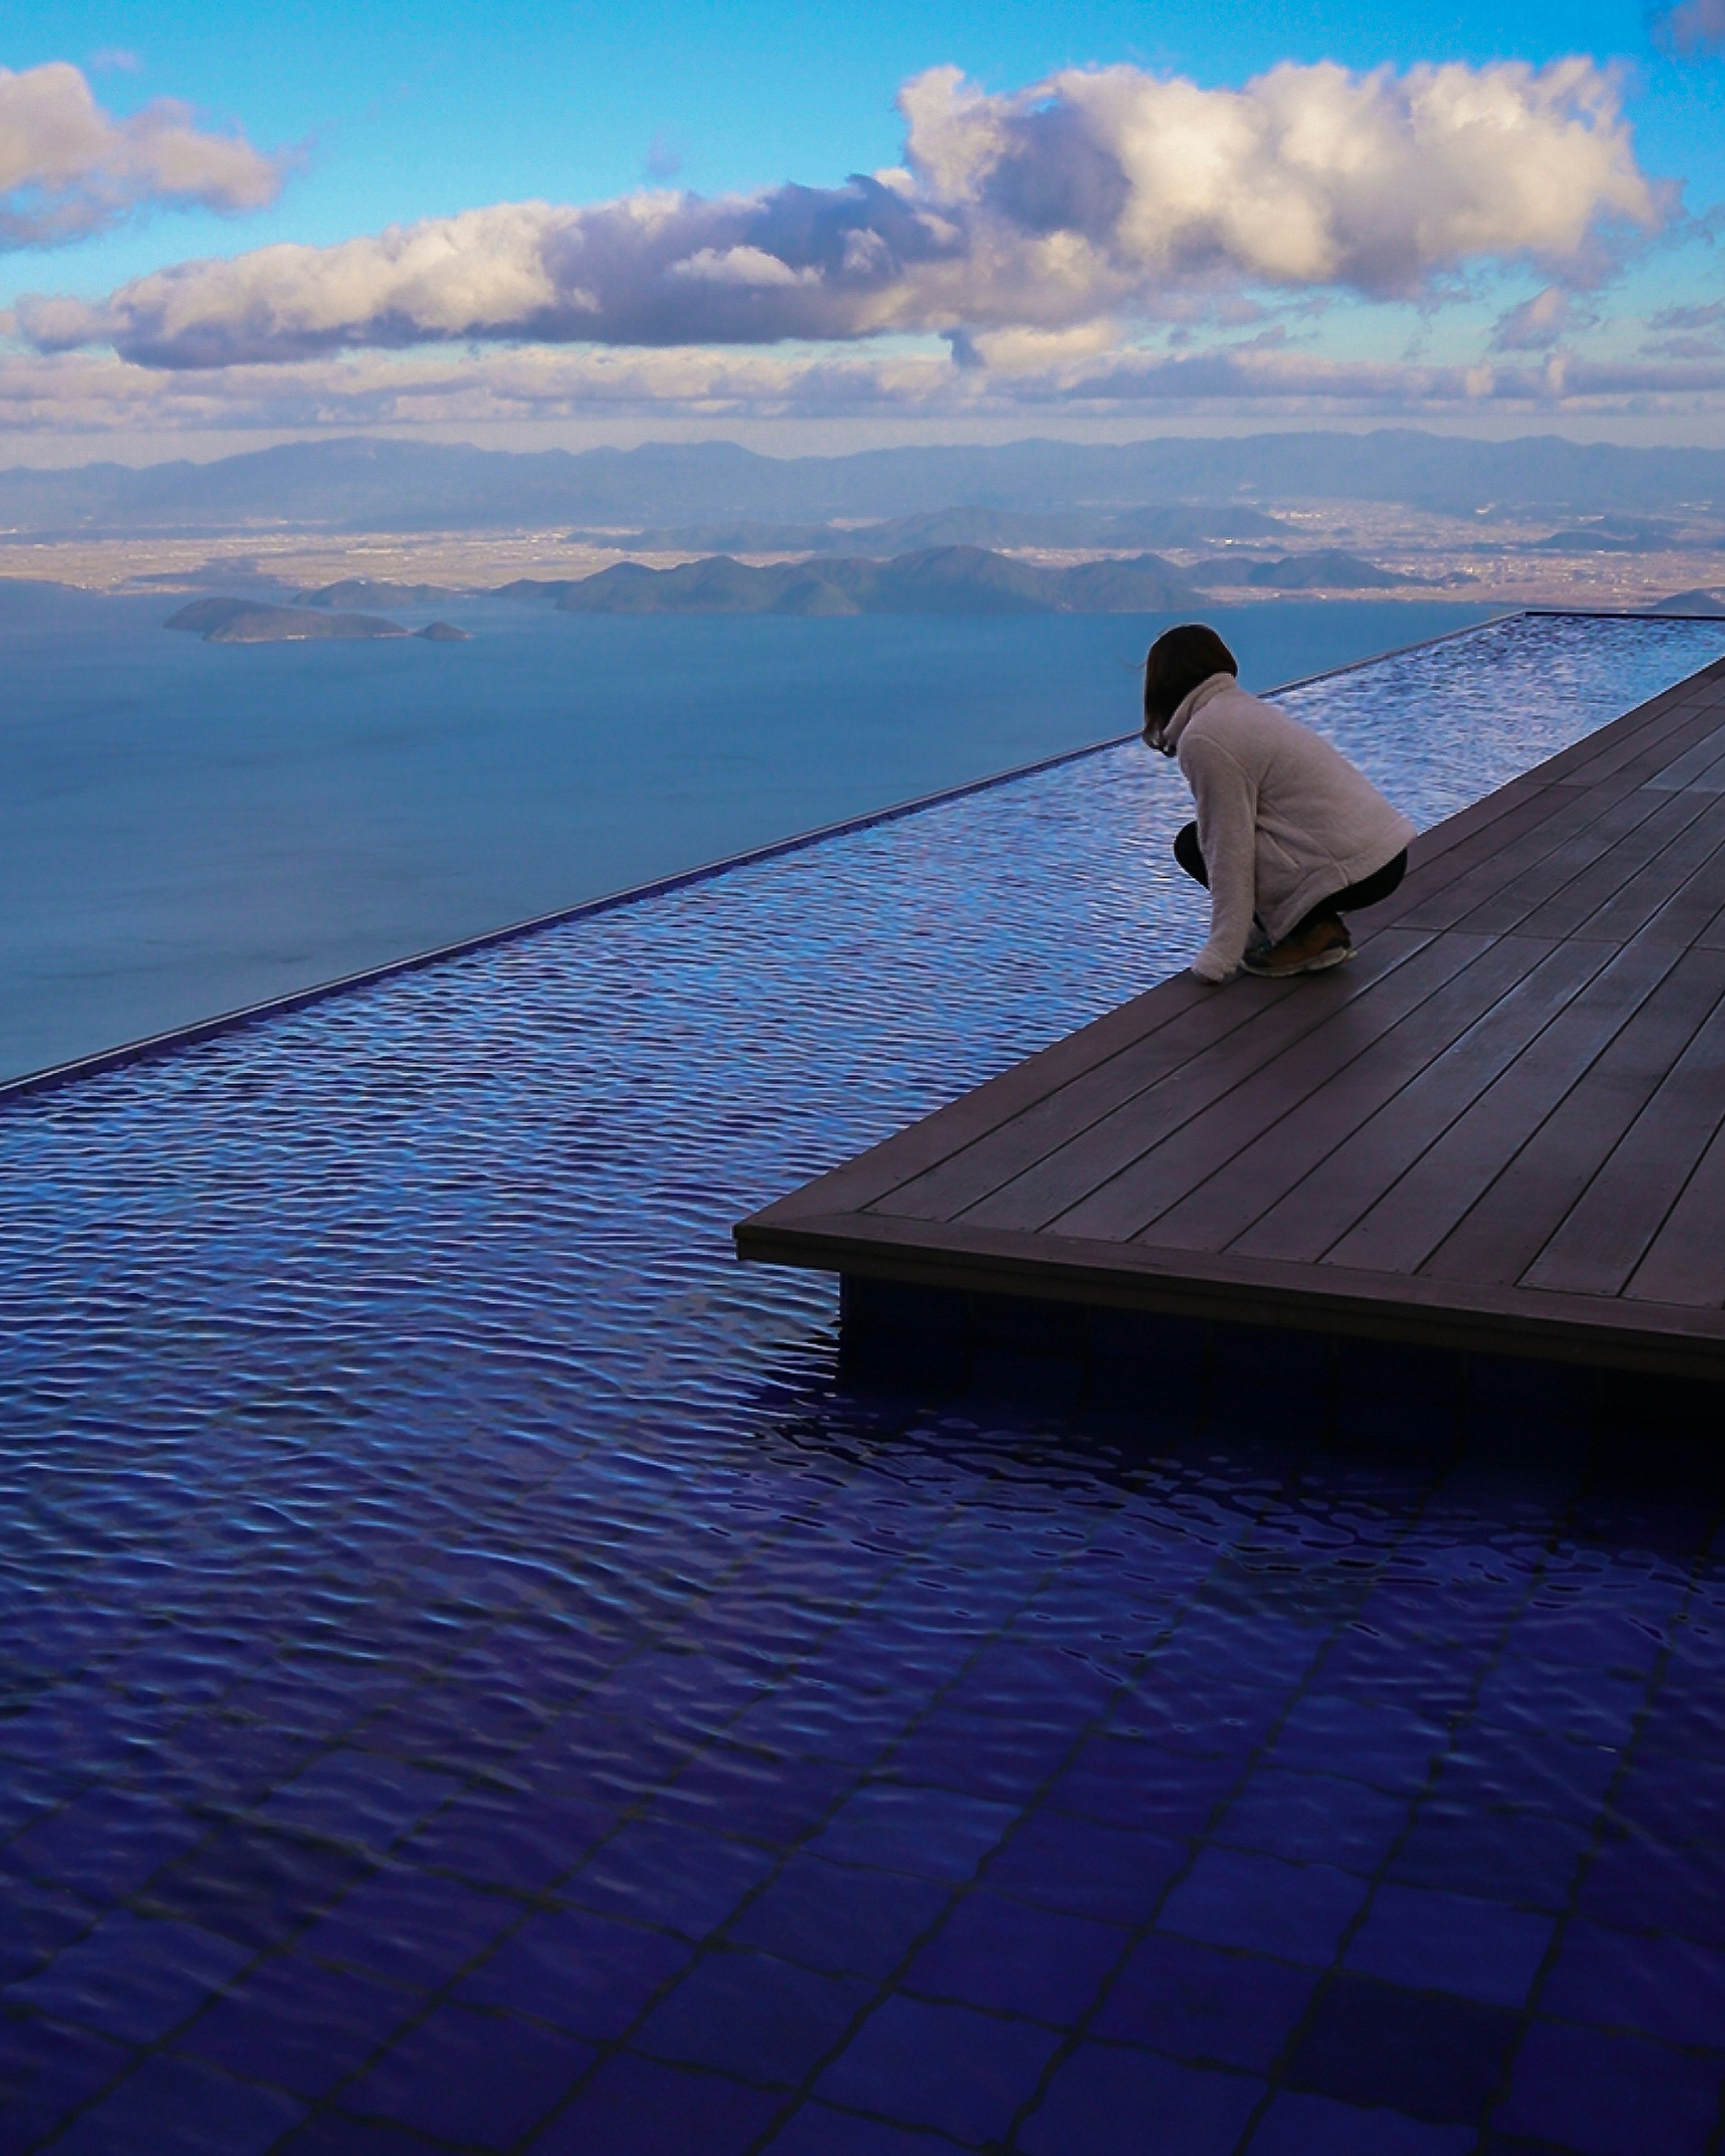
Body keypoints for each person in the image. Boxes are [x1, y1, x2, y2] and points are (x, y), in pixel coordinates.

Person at [1142, 623, 1417, 982]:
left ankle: (1308, 934)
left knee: (1195, 844)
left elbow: (1228, 849)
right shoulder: (1242, 710)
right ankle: (1310, 932)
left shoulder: (1207, 736)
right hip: (1383, 856)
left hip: (1356, 871)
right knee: (1206, 838)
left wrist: (1220, 955)